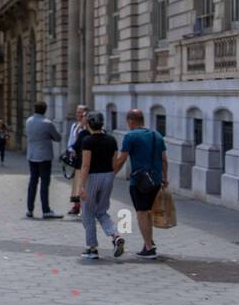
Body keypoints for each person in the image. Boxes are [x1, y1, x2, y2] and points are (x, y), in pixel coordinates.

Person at [114, 108, 168, 259]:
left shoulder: (130, 136)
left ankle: (149, 248)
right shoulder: (157, 135)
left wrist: (111, 175)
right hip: (156, 180)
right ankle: (148, 242)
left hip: (140, 182)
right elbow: (164, 159)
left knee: (142, 213)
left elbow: (122, 158)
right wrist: (165, 177)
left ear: (130, 121)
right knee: (148, 212)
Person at [77, 111, 126, 260]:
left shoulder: (87, 141)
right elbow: (115, 163)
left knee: (88, 212)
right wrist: (110, 176)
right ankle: (115, 236)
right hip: (108, 175)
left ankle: (92, 248)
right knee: (102, 211)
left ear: (89, 124)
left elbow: (85, 165)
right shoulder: (111, 140)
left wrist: (81, 186)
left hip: (92, 177)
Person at [24, 102, 63, 218]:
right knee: (44, 184)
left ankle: (30, 209)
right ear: (45, 110)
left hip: (31, 155)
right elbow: (58, 137)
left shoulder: (29, 121)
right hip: (44, 156)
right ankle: (45, 210)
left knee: (33, 182)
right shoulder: (47, 123)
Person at [66, 105, 88, 217]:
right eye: (77, 112)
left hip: (85, 158)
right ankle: (76, 205)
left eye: (80, 113)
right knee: (76, 183)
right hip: (77, 157)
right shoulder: (75, 125)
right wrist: (70, 150)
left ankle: (84, 206)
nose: (78, 114)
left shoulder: (87, 129)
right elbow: (71, 139)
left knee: (83, 183)